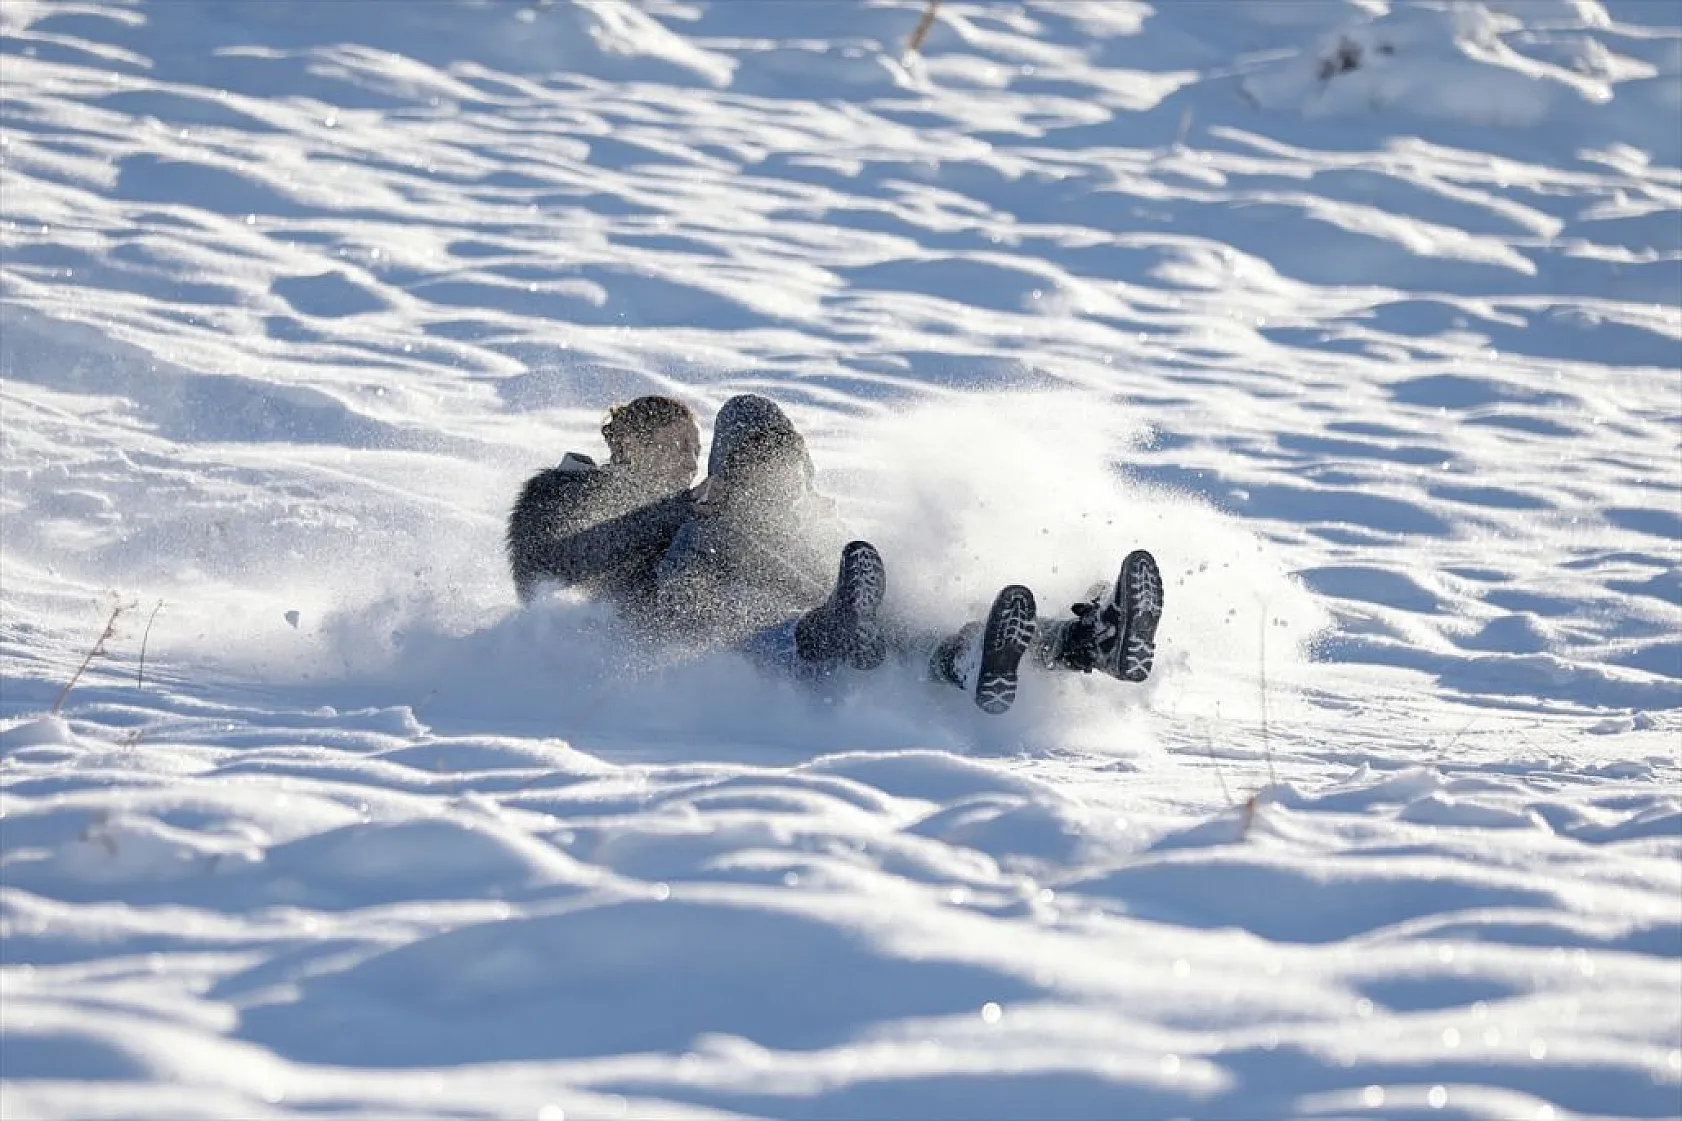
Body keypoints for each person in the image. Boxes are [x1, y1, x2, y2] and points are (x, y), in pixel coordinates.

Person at [646, 393, 1164, 714]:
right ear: (727, 469)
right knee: (776, 626)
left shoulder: (818, 530)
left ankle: (1085, 641)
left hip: (855, 634)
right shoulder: (705, 532)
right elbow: (679, 612)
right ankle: (849, 628)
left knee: (912, 621)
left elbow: (860, 581)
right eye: (751, 460)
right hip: (767, 651)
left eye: (777, 457)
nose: (766, 471)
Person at [505, 395, 702, 631]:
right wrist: (682, 507)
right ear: (632, 446)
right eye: (678, 447)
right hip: (590, 645)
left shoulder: (680, 515)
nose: (692, 465)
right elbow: (547, 571)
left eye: (696, 452)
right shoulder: (562, 491)